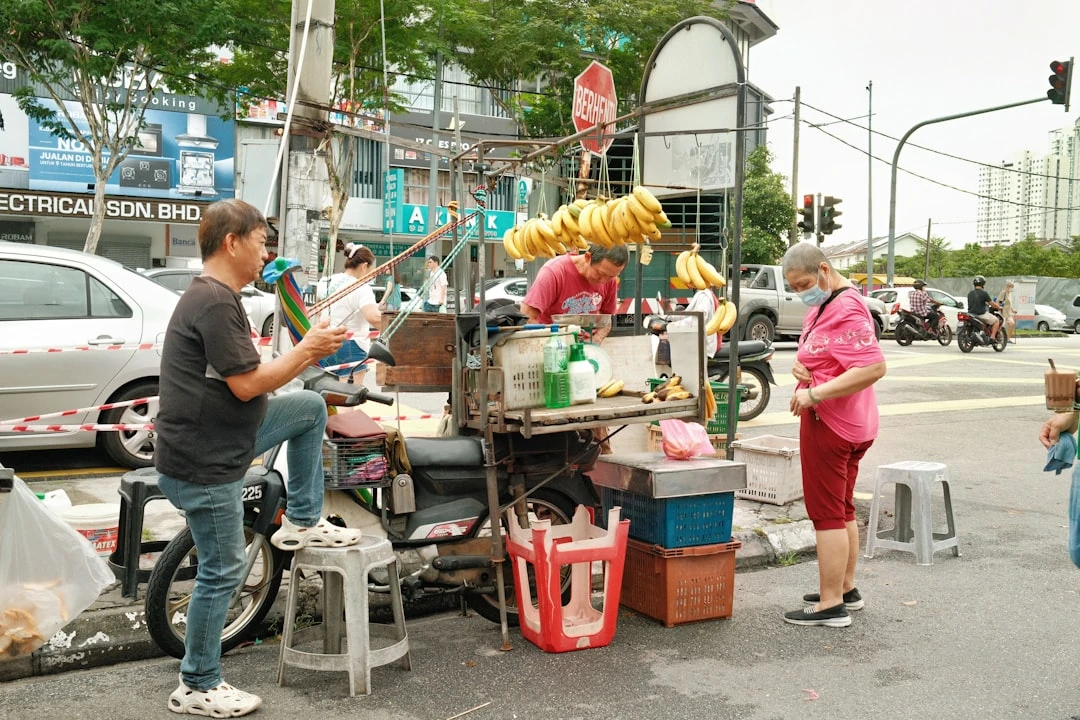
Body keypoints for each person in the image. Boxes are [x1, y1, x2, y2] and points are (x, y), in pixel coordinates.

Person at [155, 199, 362, 717]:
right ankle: (197, 683)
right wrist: (308, 350)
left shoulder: (219, 296)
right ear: (232, 242)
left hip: (227, 437)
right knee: (223, 569)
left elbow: (247, 381)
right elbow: (247, 386)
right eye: (261, 241)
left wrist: (302, 348)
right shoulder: (213, 301)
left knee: (310, 407)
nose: (266, 251)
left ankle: (303, 519)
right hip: (205, 460)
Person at [782, 243, 887, 628]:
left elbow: (873, 367)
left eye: (804, 283)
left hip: (831, 424)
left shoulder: (844, 307)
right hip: (853, 423)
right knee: (842, 508)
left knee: (825, 513)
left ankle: (829, 606)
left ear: (824, 271)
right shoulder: (831, 304)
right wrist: (804, 366)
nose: (800, 292)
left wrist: (813, 393)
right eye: (793, 287)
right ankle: (845, 589)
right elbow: (831, 355)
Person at [520, 243, 628, 344]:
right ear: (587, 257)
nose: (604, 281)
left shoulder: (610, 280)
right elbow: (527, 316)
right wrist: (550, 345)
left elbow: (606, 320)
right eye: (600, 273)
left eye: (611, 276)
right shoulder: (554, 272)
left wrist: (595, 340)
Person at [321, 243, 381, 383]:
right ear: (364, 266)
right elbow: (374, 317)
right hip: (351, 347)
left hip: (324, 343)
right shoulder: (361, 287)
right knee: (346, 399)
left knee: (326, 394)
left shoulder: (325, 282)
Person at [967, 275, 1002, 340]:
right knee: (996, 321)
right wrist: (999, 307)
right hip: (981, 314)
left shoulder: (970, 293)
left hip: (971, 314)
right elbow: (991, 303)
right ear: (982, 284)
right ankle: (992, 337)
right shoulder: (984, 293)